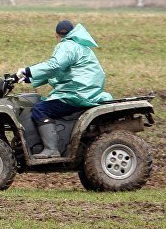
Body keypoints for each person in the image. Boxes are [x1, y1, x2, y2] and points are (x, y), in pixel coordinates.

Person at [16, 20, 112, 159]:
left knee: (40, 109)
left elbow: (54, 66)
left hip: (76, 94)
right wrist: (27, 78)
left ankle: (51, 149)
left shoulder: (67, 46)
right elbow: (58, 73)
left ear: (56, 35)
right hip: (86, 91)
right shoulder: (80, 46)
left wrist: (27, 70)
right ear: (72, 32)